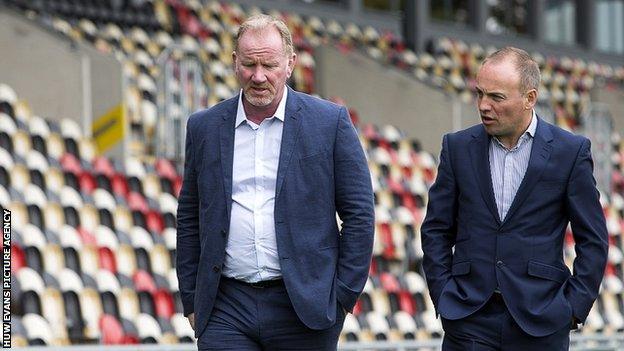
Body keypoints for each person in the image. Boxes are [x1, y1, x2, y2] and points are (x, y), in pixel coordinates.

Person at [176, 14, 374, 351]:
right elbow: (190, 214)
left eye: (268, 64)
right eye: (249, 64)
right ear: (234, 63)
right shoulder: (204, 127)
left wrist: (341, 298)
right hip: (226, 307)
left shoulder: (330, 123)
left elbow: (359, 213)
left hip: (304, 308)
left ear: (290, 63)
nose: (258, 76)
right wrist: (193, 300)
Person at [421, 47, 609, 350]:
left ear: (529, 98)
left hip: (541, 321)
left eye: (496, 97)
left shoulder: (569, 152)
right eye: (480, 94)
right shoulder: (456, 148)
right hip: (468, 319)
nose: (483, 105)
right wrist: (443, 295)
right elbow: (435, 230)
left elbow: (594, 240)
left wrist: (572, 308)